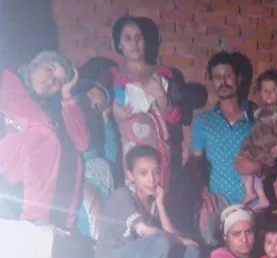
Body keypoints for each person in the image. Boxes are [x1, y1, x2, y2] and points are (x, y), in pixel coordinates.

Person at [94, 145, 199, 258]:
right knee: (161, 241)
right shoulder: (122, 196)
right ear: (130, 175)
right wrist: (178, 239)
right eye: (143, 173)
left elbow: (171, 240)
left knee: (191, 252)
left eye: (156, 172)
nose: (152, 179)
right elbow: (144, 230)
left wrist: (161, 205)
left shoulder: (153, 202)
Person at [0, 51, 88, 227]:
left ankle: (52, 223)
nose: (51, 81)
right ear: (34, 65)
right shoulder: (7, 80)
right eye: (49, 69)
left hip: (14, 188)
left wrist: (67, 97)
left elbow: (82, 143)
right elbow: (37, 120)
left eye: (60, 81)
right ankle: (34, 220)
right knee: (44, 136)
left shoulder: (51, 111)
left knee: (64, 149)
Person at [188, 51, 258, 245]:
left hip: (250, 200)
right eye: (217, 77)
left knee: (246, 247)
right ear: (212, 81)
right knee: (209, 237)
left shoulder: (255, 118)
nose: (223, 82)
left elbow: (271, 156)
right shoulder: (204, 121)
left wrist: (259, 167)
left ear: (239, 79)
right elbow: (193, 161)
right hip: (218, 201)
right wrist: (203, 191)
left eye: (228, 75)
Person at [110, 15, 183, 189]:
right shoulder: (112, 78)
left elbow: (177, 118)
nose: (134, 43)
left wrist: (161, 96)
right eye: (128, 38)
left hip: (158, 151)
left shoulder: (164, 75)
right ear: (119, 45)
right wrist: (115, 114)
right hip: (128, 153)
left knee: (159, 197)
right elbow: (100, 116)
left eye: (138, 37)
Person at [240, 70, 277, 209]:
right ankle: (257, 195)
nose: (268, 93)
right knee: (247, 166)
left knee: (252, 167)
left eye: (273, 90)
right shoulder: (260, 111)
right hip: (256, 146)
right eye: (265, 90)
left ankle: (254, 194)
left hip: (267, 147)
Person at [76, 78, 118, 238]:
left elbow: (110, 158)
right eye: (91, 96)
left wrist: (106, 119)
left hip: (99, 191)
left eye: (98, 106)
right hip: (76, 189)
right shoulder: (63, 116)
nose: (92, 105)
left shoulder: (94, 133)